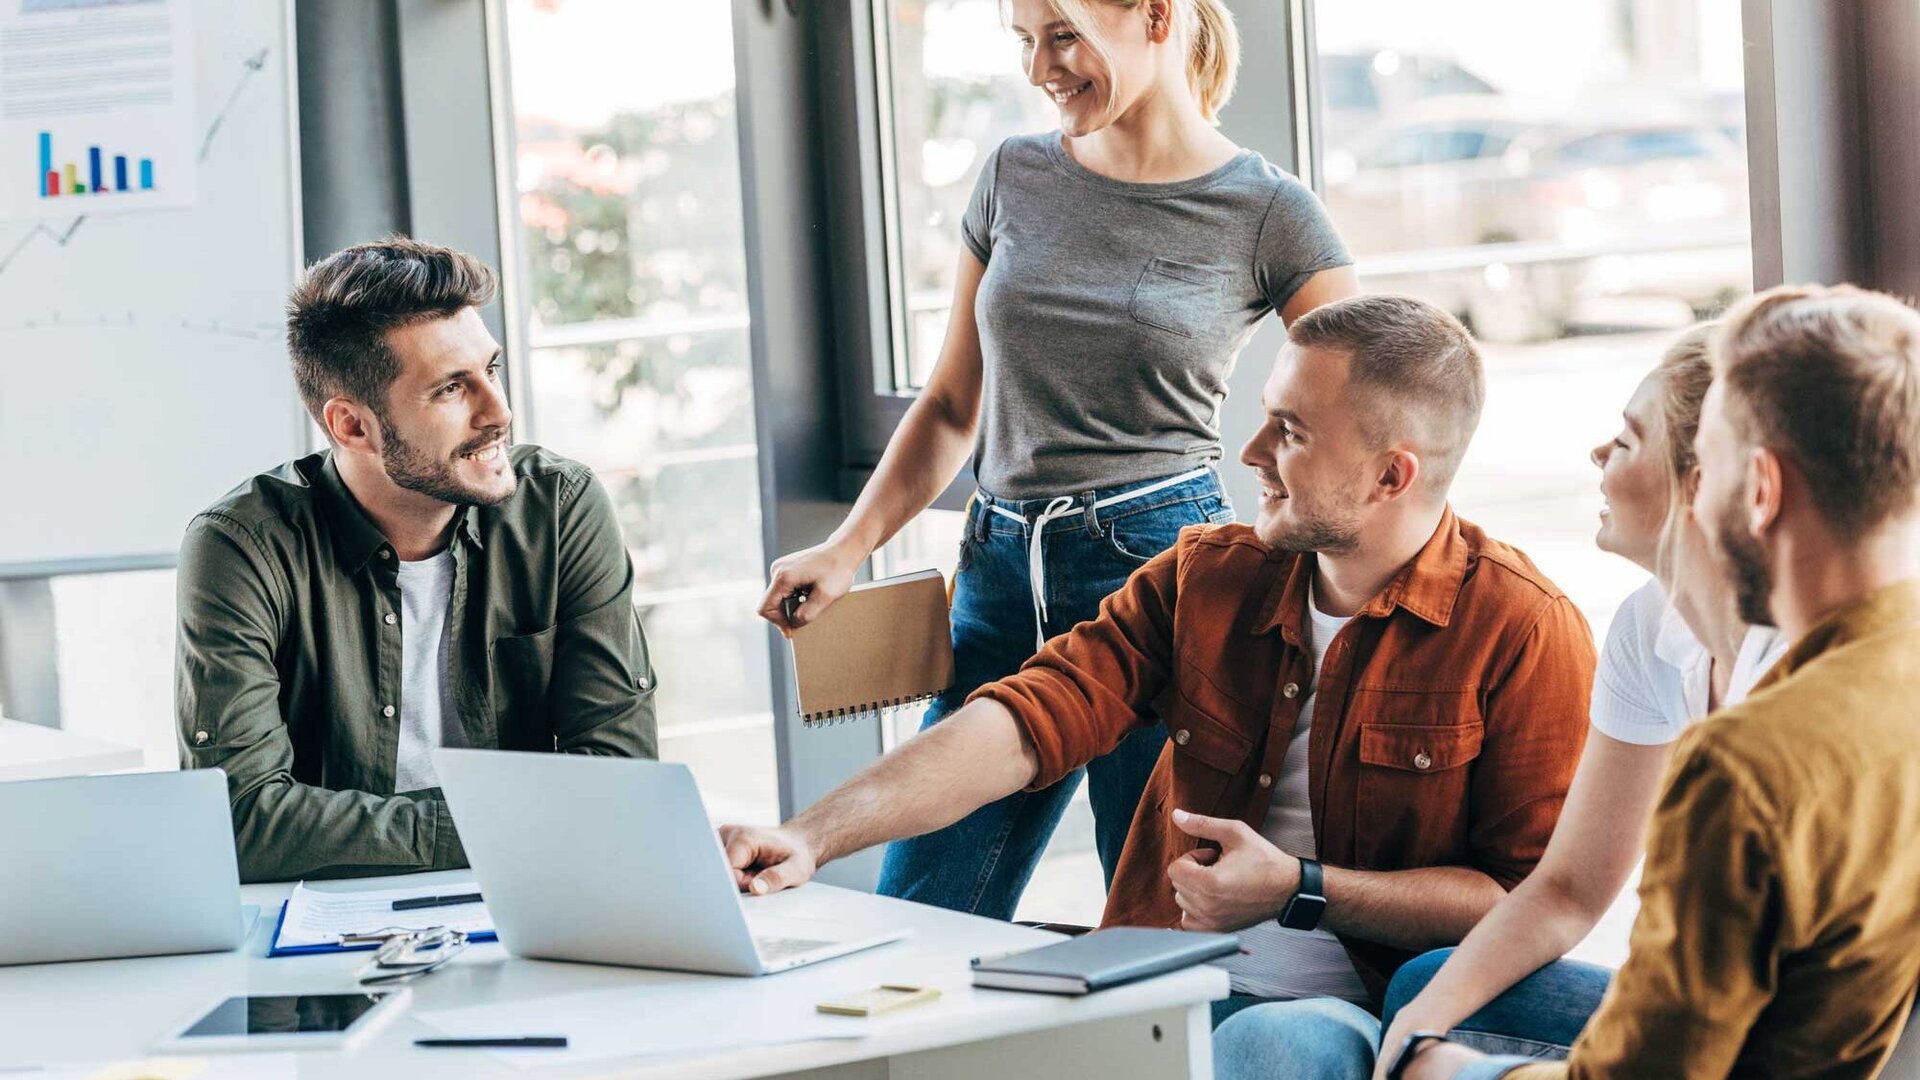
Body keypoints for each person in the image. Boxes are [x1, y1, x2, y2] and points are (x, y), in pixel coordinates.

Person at [727, 295, 1593, 1018]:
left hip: (1349, 1015)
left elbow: (1524, 901)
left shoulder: (1523, 629)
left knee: (1276, 1048)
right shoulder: (1207, 576)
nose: (1250, 453)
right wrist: (807, 836)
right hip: (1154, 986)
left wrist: (1301, 886)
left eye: (1289, 432)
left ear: (1391, 477)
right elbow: (1028, 720)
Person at [754, 0, 1357, 922]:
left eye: (1063, 36)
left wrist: (1314, 571)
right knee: (924, 909)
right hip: (996, 573)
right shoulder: (1012, 174)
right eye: (1024, 41)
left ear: (1155, 16)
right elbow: (954, 403)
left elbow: (1357, 408)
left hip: (1157, 578)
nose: (1041, 69)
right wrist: (846, 548)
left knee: (1152, 919)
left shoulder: (1270, 212)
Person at [1213, 326, 1792, 1076]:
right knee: (1416, 988)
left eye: (1627, 438)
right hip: (1708, 1005)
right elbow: (1566, 890)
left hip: (1788, 1033)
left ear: (1701, 484)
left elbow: (1792, 1011)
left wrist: (1476, 1072)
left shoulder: (1798, 681)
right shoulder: (1651, 630)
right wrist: (1419, 1029)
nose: (1598, 454)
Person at [1399, 283, 1920, 1079]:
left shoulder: (1746, 766)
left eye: (1704, 462)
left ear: (1757, 490)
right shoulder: (1883, 662)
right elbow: (1572, 889)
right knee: (1422, 987)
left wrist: (1445, 1072)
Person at [177, 237, 658, 882]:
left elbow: (623, 782)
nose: (498, 413)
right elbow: (242, 821)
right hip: (325, 941)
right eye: (450, 390)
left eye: (492, 370)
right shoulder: (242, 547)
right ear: (352, 426)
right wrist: (511, 824)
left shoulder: (559, 508)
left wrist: (367, 830)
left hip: (540, 902)